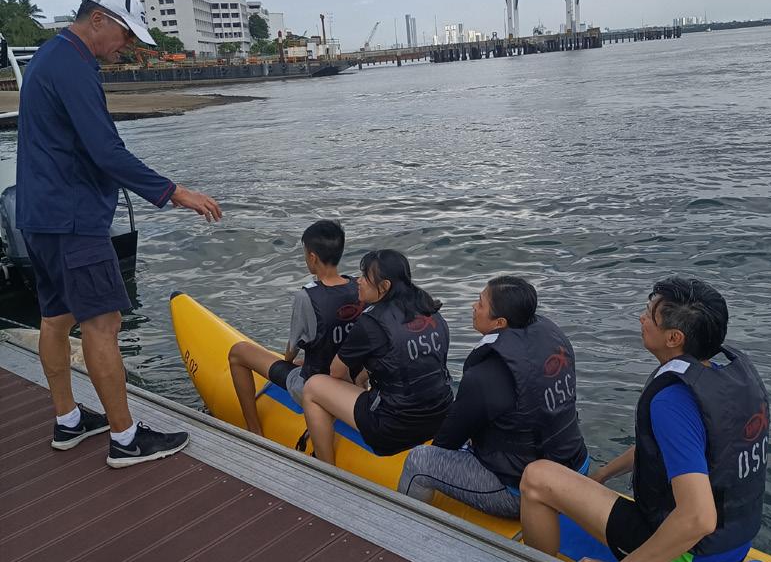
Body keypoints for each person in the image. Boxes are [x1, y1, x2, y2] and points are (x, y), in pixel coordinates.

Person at [16, 0, 222, 468]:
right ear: (98, 19)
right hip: (73, 219)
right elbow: (106, 150)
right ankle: (126, 438)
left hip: (39, 215)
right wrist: (175, 193)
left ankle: (68, 420)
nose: (126, 45)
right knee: (103, 322)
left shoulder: (48, 55)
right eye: (126, 33)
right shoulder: (73, 65)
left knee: (56, 318)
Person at [520, 277, 770, 562]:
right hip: (732, 548)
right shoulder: (725, 378)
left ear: (674, 338)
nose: (641, 318)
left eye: (650, 315)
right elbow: (673, 447)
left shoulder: (672, 401)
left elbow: (700, 517)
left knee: (536, 477)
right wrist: (603, 475)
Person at [398, 276, 588, 518]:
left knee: (419, 462)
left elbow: (448, 441)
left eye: (480, 303)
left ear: (500, 322)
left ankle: (403, 527)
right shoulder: (553, 337)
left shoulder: (486, 374)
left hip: (523, 492)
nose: (473, 306)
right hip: (576, 467)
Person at [301, 249, 453, 464]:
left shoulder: (371, 322)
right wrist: (362, 378)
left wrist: (352, 389)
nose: (358, 281)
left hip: (393, 429)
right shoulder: (431, 310)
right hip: (442, 416)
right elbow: (401, 358)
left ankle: (325, 469)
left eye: (365, 277)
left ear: (385, 286)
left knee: (313, 386)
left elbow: (336, 372)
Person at [228, 219, 362, 434]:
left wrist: (289, 362)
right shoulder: (360, 286)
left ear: (312, 257)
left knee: (238, 352)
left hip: (314, 386)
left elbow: (291, 351)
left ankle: (254, 430)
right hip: (352, 382)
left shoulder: (307, 296)